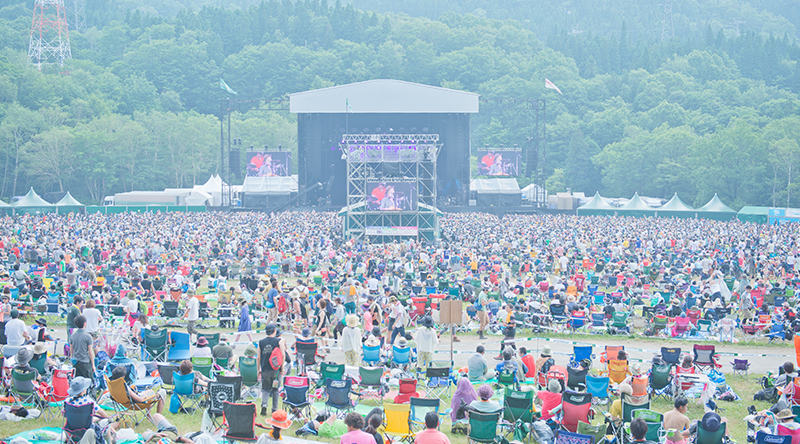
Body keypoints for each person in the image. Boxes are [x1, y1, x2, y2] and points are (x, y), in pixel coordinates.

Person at [65, 376, 120, 444]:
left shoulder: (67, 402)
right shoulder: (89, 402)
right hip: (88, 431)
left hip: (71, 431)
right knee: (106, 422)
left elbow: (66, 415)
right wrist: (96, 419)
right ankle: (110, 441)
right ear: (83, 389)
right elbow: (104, 415)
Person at [258, 323, 286, 416]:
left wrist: (259, 369)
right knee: (275, 390)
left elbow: (258, 357)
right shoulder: (279, 341)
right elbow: (282, 355)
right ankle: (274, 409)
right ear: (275, 331)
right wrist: (282, 367)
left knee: (265, 389)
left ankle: (264, 404)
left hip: (265, 369)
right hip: (276, 370)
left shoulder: (261, 342)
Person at [69, 315, 95, 379]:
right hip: (85, 362)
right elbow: (90, 352)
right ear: (84, 324)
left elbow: (71, 351)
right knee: (89, 382)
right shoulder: (88, 336)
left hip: (75, 362)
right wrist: (93, 365)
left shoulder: (72, 336)